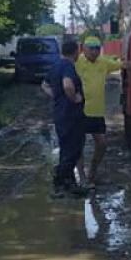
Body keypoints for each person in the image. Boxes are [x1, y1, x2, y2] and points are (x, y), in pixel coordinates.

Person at [73, 37, 131, 185]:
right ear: (84, 49)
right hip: (79, 112)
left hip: (97, 112)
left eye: (97, 48)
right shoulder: (77, 62)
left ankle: (92, 172)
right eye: (91, 48)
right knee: (78, 145)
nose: (94, 51)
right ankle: (81, 177)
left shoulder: (103, 62)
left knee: (102, 144)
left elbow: (124, 64)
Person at [41, 39, 86, 197]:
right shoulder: (68, 66)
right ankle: (59, 180)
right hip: (70, 114)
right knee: (74, 148)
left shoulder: (55, 66)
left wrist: (56, 96)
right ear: (76, 52)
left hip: (60, 113)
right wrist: (74, 98)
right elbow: (68, 85)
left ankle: (68, 183)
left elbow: (44, 85)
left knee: (66, 148)